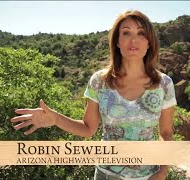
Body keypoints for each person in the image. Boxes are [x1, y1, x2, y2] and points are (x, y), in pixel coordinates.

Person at [11, 10, 177, 180]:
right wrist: (55, 119)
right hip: (106, 175)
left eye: (141, 33)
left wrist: (162, 172)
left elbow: (165, 133)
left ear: (149, 42)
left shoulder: (164, 84)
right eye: (126, 32)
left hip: (148, 176)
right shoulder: (99, 81)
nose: (133, 40)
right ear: (117, 42)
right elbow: (88, 128)